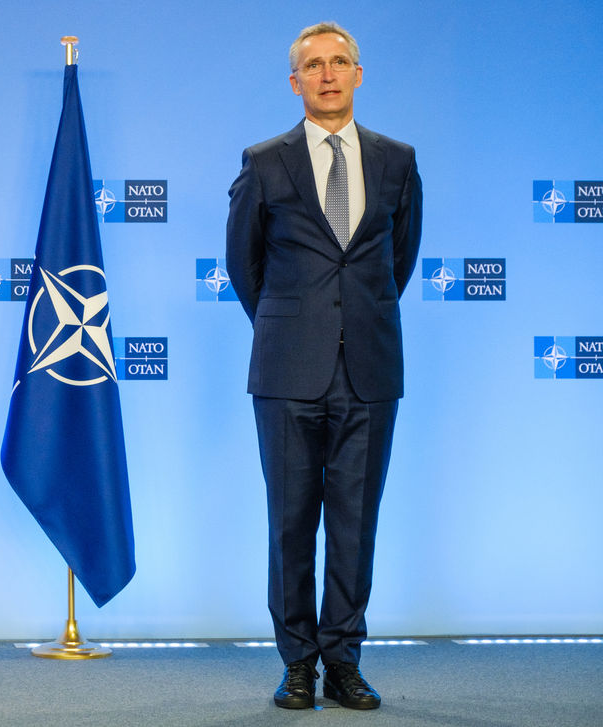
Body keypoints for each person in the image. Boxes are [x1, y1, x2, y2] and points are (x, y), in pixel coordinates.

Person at [225, 22, 422, 710]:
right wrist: (295, 325)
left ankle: (344, 659)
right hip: (285, 373)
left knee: (354, 525)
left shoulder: (397, 160)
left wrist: (349, 323)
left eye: (340, 62)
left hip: (370, 369)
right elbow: (243, 266)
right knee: (290, 524)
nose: (328, 74)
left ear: (359, 74)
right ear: (296, 82)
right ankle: (297, 664)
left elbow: (399, 259)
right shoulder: (264, 161)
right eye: (314, 65)